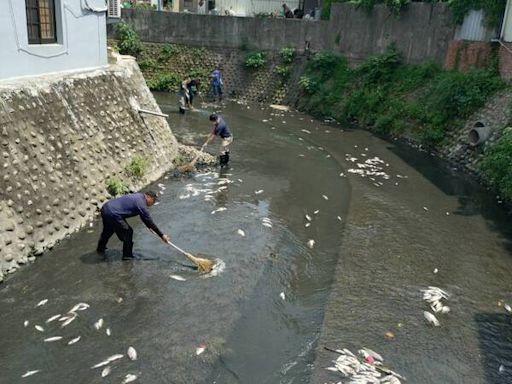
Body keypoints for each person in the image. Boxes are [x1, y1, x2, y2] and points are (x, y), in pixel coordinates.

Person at [96, 191, 169, 260]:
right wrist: (161, 235)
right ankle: (127, 256)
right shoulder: (142, 204)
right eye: (153, 201)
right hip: (114, 213)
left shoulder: (139, 196)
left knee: (108, 230)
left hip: (106, 208)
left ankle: (100, 249)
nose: (153, 203)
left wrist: (149, 227)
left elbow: (145, 219)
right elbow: (149, 221)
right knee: (128, 232)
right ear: (149, 197)